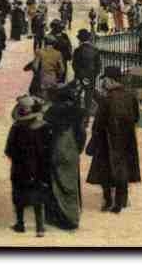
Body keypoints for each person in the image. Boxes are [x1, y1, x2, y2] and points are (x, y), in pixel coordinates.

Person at [86, 65, 141, 213]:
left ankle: (108, 200)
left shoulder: (107, 99)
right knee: (122, 169)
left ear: (110, 80)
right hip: (126, 139)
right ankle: (120, 202)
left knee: (104, 170)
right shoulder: (131, 95)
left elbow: (98, 124)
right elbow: (136, 117)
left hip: (107, 140)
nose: (104, 83)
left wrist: (93, 141)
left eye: (105, 80)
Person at [43, 84, 87, 229]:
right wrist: (78, 149)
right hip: (71, 150)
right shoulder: (78, 112)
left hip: (56, 149)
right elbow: (82, 134)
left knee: (56, 183)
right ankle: (72, 217)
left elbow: (45, 130)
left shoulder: (52, 111)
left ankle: (58, 217)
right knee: (71, 184)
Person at [5, 95, 49, 237]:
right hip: (37, 167)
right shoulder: (42, 126)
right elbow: (46, 149)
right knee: (38, 196)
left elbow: (8, 150)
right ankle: (40, 227)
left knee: (19, 196)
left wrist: (18, 157)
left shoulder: (16, 127)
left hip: (20, 167)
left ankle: (20, 224)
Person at [73, 29, 102, 113]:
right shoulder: (95, 50)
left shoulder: (77, 50)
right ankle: (87, 112)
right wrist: (94, 74)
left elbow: (75, 65)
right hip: (91, 75)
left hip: (80, 76)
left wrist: (80, 75)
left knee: (77, 93)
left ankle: (77, 111)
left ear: (80, 39)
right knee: (89, 95)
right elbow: (98, 65)